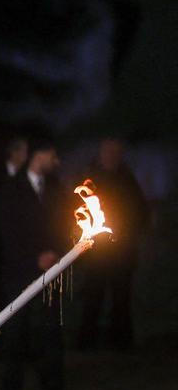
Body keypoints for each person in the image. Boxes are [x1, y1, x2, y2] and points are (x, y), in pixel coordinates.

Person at [0, 141, 69, 390]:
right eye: (53, 154)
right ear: (40, 154)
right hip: (18, 274)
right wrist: (33, 258)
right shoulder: (11, 188)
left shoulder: (55, 188)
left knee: (50, 332)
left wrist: (56, 253)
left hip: (50, 274)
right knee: (14, 333)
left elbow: (65, 224)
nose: (57, 161)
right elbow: (7, 232)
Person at [77, 137, 148, 349]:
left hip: (122, 251)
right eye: (108, 152)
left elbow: (139, 210)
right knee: (93, 296)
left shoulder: (127, 178)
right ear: (101, 153)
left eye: (116, 152)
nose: (112, 156)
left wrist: (130, 234)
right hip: (96, 253)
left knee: (121, 298)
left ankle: (121, 341)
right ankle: (87, 342)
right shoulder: (90, 179)